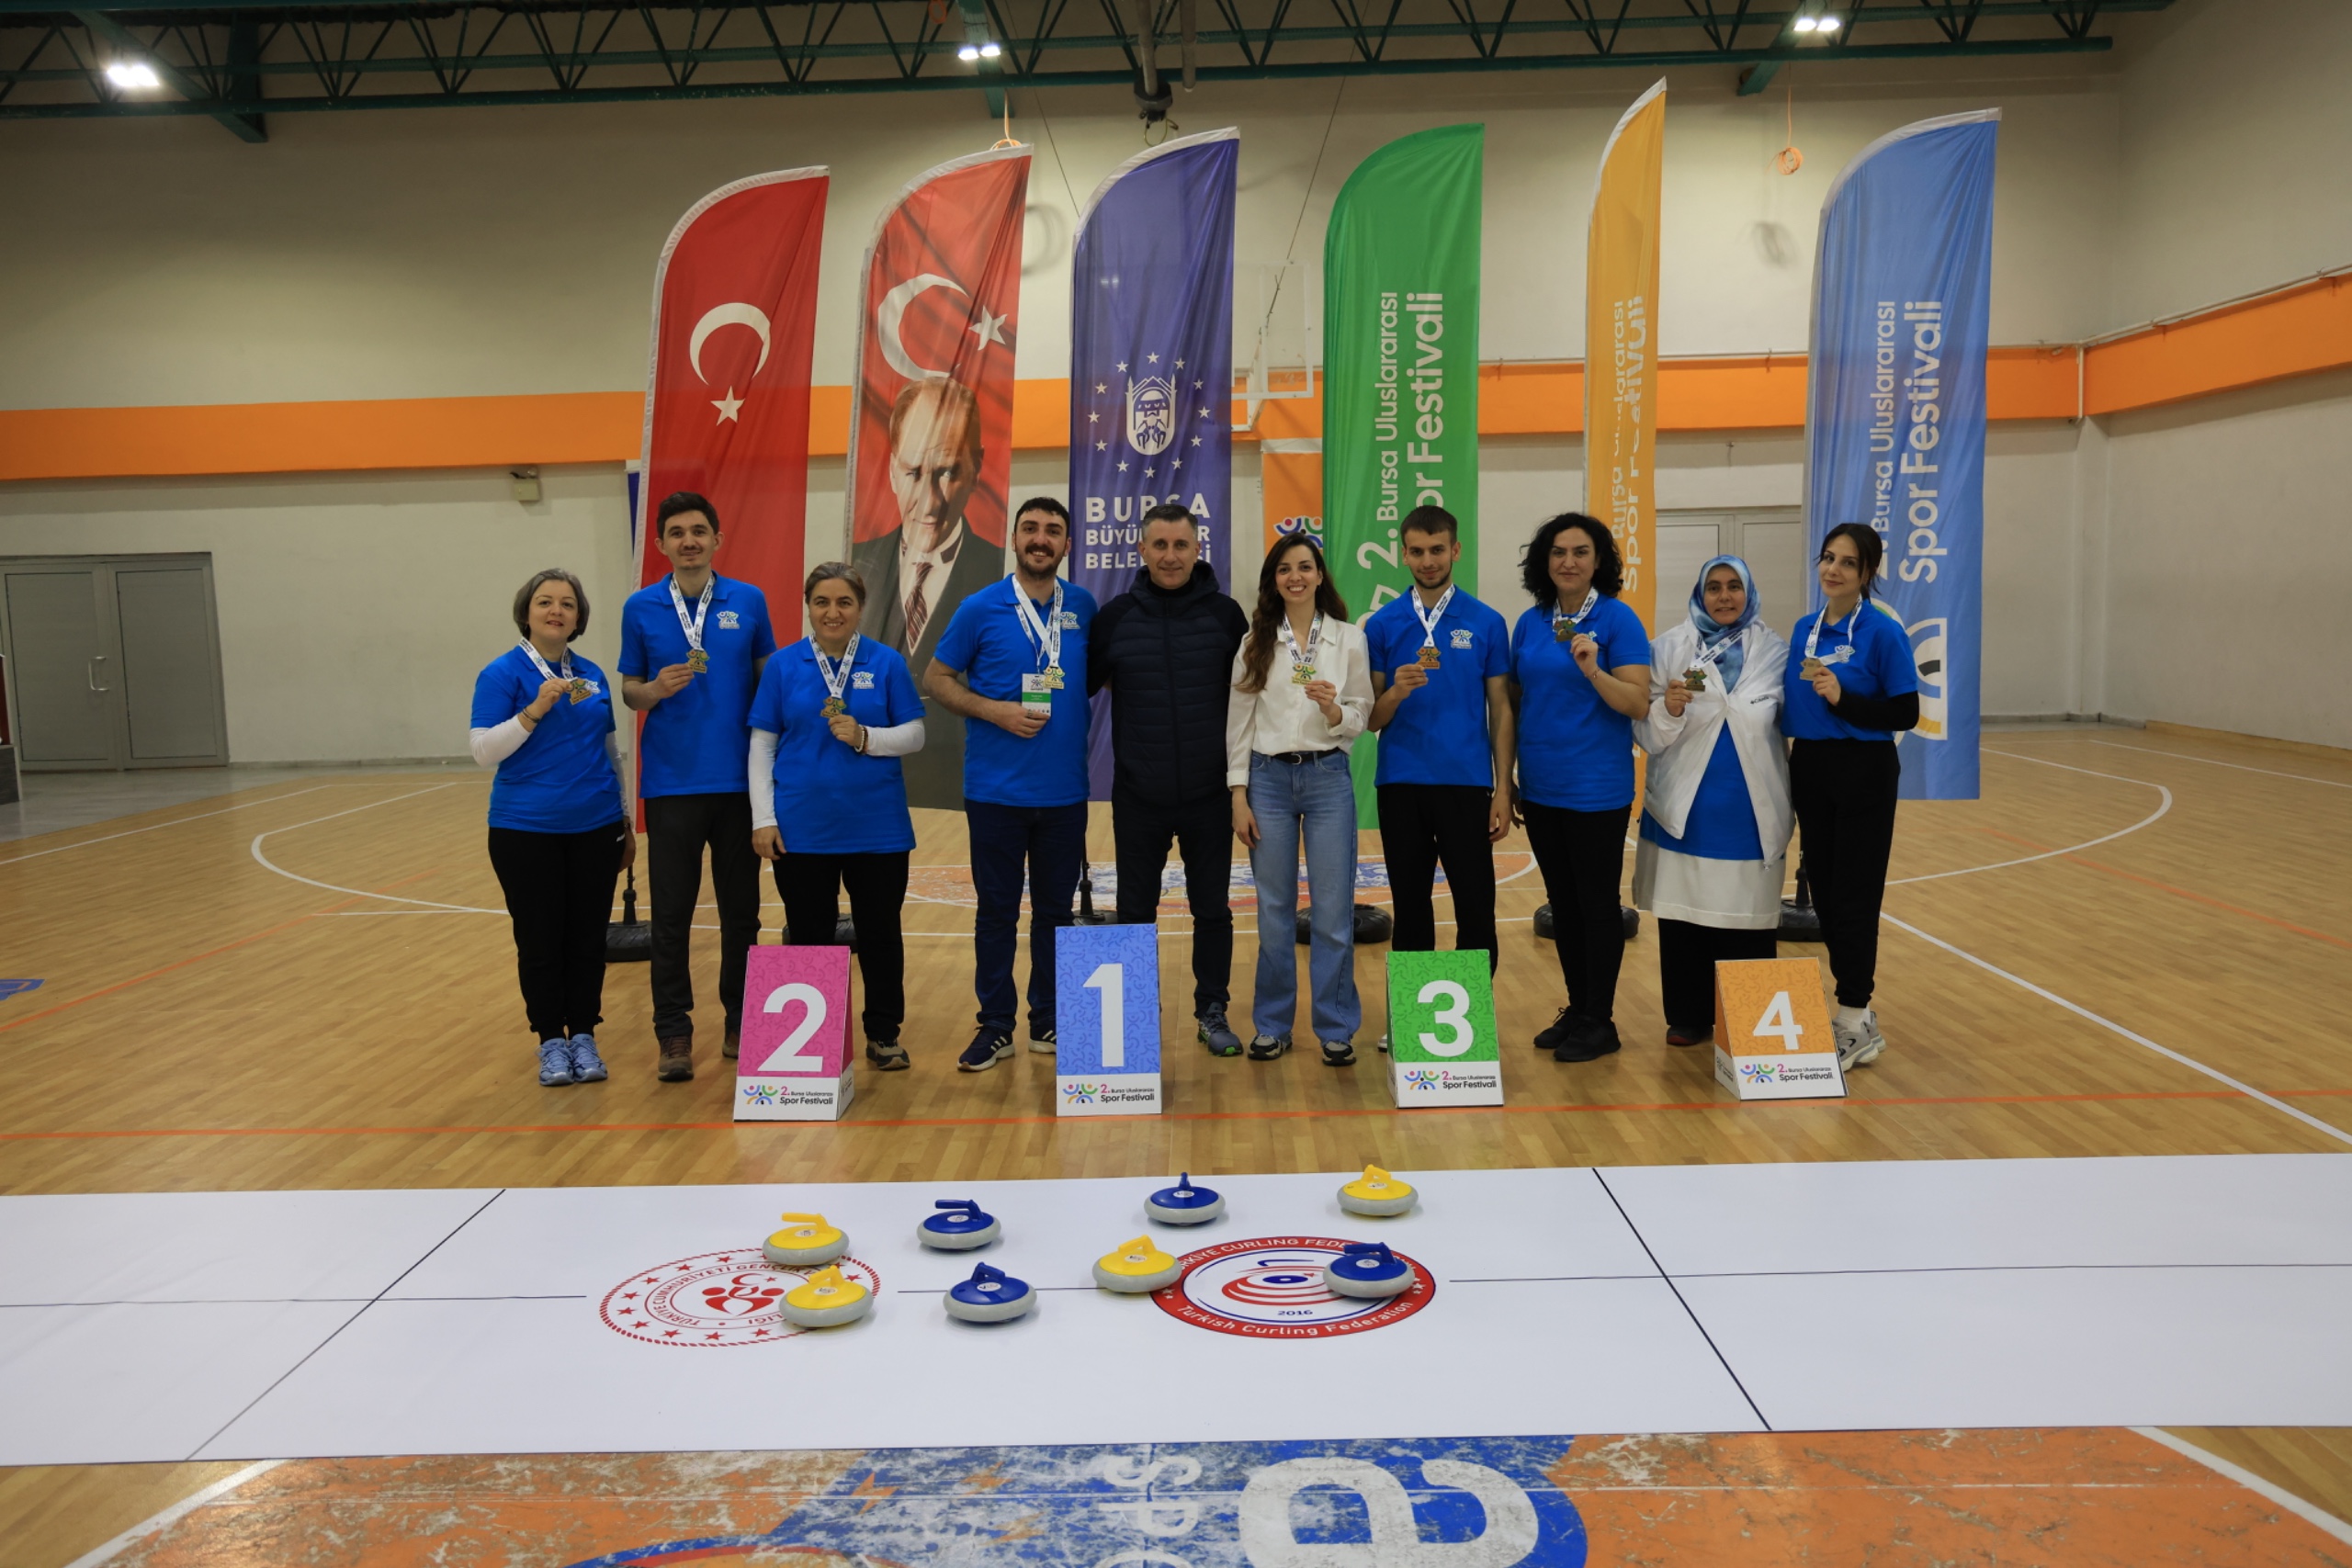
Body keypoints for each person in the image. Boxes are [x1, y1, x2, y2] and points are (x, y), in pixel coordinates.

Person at [923, 497, 1097, 1071]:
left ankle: (1047, 1019)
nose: (1041, 539)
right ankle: (996, 1025)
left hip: (1065, 793)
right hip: (995, 793)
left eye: (1053, 530)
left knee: (1055, 913)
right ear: (1015, 539)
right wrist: (993, 710)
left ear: (1067, 544)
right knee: (996, 913)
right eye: (1031, 529)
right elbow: (937, 678)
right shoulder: (979, 608)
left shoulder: (1084, 607)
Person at [619, 491, 776, 1082]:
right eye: (677, 533)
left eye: (698, 531)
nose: (689, 541)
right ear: (662, 544)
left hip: (739, 785)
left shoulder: (749, 600)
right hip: (671, 785)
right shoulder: (640, 607)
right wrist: (654, 690)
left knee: (742, 913)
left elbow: (768, 681)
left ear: (717, 540)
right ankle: (673, 1032)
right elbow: (630, 691)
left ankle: (740, 1018)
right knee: (671, 916)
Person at [748, 564, 925, 1070]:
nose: (832, 612)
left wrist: (867, 737)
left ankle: (884, 1034)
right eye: (822, 601)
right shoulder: (783, 666)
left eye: (844, 602)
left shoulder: (886, 662)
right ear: (808, 606)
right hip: (802, 829)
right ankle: (813, 1049)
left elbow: (915, 734)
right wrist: (763, 819)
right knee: (809, 934)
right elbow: (762, 745)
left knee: (880, 934)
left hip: (878, 828)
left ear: (860, 608)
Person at [1089, 503, 1250, 1057]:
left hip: (1209, 795)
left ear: (1197, 549)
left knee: (1213, 911)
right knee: (1136, 913)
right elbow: (1084, 684)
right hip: (1139, 796)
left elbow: (1249, 698)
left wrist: (1241, 785)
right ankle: (1132, 1019)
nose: (1170, 556)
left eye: (1181, 545)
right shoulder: (1114, 618)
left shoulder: (1227, 616)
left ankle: (1212, 1010)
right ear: (1142, 550)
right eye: (1159, 545)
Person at [469, 569, 634, 1088]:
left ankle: (583, 1034)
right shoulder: (501, 674)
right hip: (525, 830)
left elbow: (610, 751)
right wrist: (534, 710)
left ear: (578, 617)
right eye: (545, 602)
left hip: (596, 827)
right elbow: (482, 751)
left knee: (587, 940)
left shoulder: (591, 674)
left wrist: (625, 819)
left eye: (567, 603)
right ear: (527, 612)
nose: (556, 610)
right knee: (540, 941)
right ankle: (550, 1041)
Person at [1507, 513, 1653, 1062]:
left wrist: (1593, 669)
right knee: (1563, 906)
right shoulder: (1531, 622)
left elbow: (1637, 703)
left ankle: (1600, 1019)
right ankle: (1578, 1007)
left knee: (1596, 906)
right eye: (1558, 552)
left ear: (1598, 561)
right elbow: (1517, 702)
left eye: (1581, 552)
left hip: (1596, 789)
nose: (1568, 562)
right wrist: (1509, 778)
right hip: (1541, 786)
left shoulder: (1618, 619)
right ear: (1543, 561)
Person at [1633, 556, 1792, 1046]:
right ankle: (1689, 1015)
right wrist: (1668, 709)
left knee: (1748, 919)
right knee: (1684, 919)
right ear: (1700, 595)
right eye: (1714, 588)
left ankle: (1750, 1019)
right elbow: (1646, 734)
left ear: (1749, 593)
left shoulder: (1776, 652)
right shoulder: (1667, 649)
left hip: (1750, 812)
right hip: (1685, 808)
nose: (1724, 597)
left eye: (1733, 587)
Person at [1227, 536, 1374, 1066]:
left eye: (1305, 567)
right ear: (1274, 579)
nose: (1296, 577)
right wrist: (1238, 793)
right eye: (1285, 569)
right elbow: (1239, 722)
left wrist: (1334, 711)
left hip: (1327, 777)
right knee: (1274, 911)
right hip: (1266, 781)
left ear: (1319, 575)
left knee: (1333, 911)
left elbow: (1362, 714)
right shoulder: (1255, 641)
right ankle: (1272, 1025)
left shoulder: (1348, 638)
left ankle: (1335, 1027)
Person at [1365, 505, 1514, 1017]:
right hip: (1401, 784)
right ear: (1403, 554)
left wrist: (1503, 788)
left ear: (1455, 550)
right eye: (1417, 551)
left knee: (1475, 905)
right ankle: (1414, 1022)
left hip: (1467, 785)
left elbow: (1501, 708)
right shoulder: (1382, 624)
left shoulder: (1487, 621)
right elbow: (1372, 718)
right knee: (1410, 905)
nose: (1427, 560)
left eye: (1436, 550)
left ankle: (1469, 1021)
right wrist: (1396, 692)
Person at [1783, 523, 1920, 1069]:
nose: (1833, 570)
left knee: (1855, 896)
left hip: (1863, 768)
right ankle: (1856, 1014)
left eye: (1847, 562)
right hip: (1811, 766)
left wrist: (1845, 699)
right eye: (1827, 558)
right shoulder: (1805, 628)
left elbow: (1906, 712)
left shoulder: (1882, 632)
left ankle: (1854, 1012)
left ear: (1867, 573)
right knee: (1824, 892)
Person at [853, 378, 1006, 809]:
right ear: (890, 469)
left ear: (977, 467)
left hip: (967, 790)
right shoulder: (854, 570)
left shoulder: (1002, 578)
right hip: (869, 782)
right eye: (913, 472)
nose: (930, 500)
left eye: (947, 472)